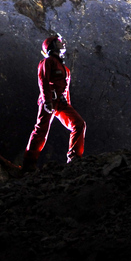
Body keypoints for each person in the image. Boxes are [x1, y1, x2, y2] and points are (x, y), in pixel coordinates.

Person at [22, 34, 85, 171]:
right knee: (41, 130)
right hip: (49, 100)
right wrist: (47, 100)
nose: (62, 43)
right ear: (51, 46)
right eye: (58, 41)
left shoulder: (65, 69)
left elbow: (66, 89)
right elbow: (43, 80)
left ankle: (74, 159)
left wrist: (68, 104)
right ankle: (29, 163)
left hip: (61, 103)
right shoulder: (48, 62)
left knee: (79, 124)